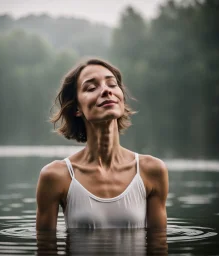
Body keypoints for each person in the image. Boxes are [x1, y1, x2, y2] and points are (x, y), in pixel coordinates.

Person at [36, 58, 168, 230]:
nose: (106, 91)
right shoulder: (55, 176)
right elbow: (45, 248)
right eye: (91, 88)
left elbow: (158, 248)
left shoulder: (152, 171)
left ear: (121, 97)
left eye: (112, 84)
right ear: (77, 108)